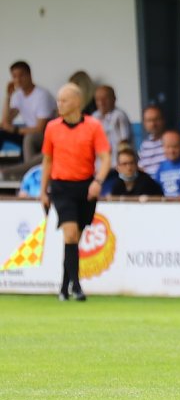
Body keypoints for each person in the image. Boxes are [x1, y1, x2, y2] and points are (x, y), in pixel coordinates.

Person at [39, 83, 111, 301]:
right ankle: (77, 287)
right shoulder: (52, 127)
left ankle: (64, 286)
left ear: (77, 102)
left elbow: (105, 157)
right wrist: (43, 191)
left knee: (74, 239)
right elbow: (47, 160)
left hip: (86, 186)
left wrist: (98, 181)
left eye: (64, 100)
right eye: (58, 100)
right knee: (70, 233)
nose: (59, 104)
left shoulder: (93, 126)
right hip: (61, 187)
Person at [0, 60, 55, 178]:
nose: (18, 80)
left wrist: (15, 130)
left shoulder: (41, 95)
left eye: (21, 75)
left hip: (44, 135)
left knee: (29, 138)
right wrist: (8, 96)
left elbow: (40, 128)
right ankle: (24, 171)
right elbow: (5, 122)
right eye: (14, 77)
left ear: (29, 75)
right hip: (26, 132)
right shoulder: (18, 95)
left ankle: (28, 174)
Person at [93, 85, 133, 166]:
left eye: (105, 99)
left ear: (114, 99)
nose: (101, 102)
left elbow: (124, 143)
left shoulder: (119, 115)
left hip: (117, 166)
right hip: (99, 167)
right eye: (98, 99)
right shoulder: (94, 116)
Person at [138, 105, 167, 175]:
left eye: (156, 119)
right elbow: (141, 168)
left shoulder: (171, 141)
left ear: (163, 120)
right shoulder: (145, 145)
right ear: (144, 123)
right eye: (149, 120)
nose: (153, 124)